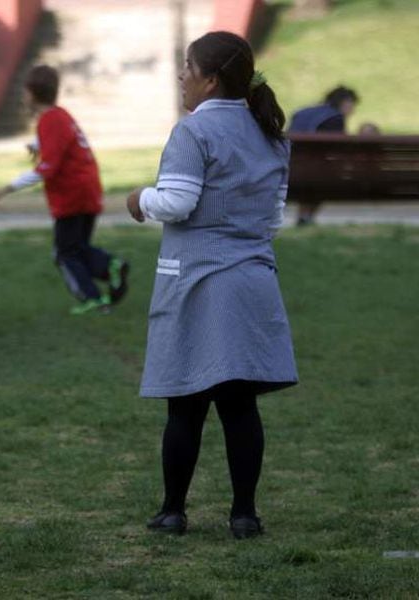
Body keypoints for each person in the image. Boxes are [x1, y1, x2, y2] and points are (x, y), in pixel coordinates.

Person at [125, 31, 298, 539]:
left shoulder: (192, 133)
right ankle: (244, 515)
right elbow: (274, 219)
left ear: (210, 79)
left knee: (186, 403)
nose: (181, 76)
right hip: (251, 281)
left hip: (198, 282)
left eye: (186, 67)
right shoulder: (270, 133)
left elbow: (177, 203)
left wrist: (140, 199)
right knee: (240, 406)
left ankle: (173, 511)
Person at [0, 65, 129, 315]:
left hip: (72, 195)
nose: (24, 96)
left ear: (32, 94)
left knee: (64, 253)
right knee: (77, 248)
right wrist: (36, 144)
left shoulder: (49, 120)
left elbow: (47, 168)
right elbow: (59, 141)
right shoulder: (60, 115)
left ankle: (93, 297)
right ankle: (111, 268)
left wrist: (10, 186)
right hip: (87, 189)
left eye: (25, 92)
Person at [289, 85, 359, 225]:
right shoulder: (335, 118)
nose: (353, 109)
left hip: (292, 164)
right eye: (352, 104)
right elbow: (338, 148)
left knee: (315, 177)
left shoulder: (304, 112)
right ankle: (307, 217)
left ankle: (304, 217)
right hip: (315, 169)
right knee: (325, 177)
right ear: (345, 102)